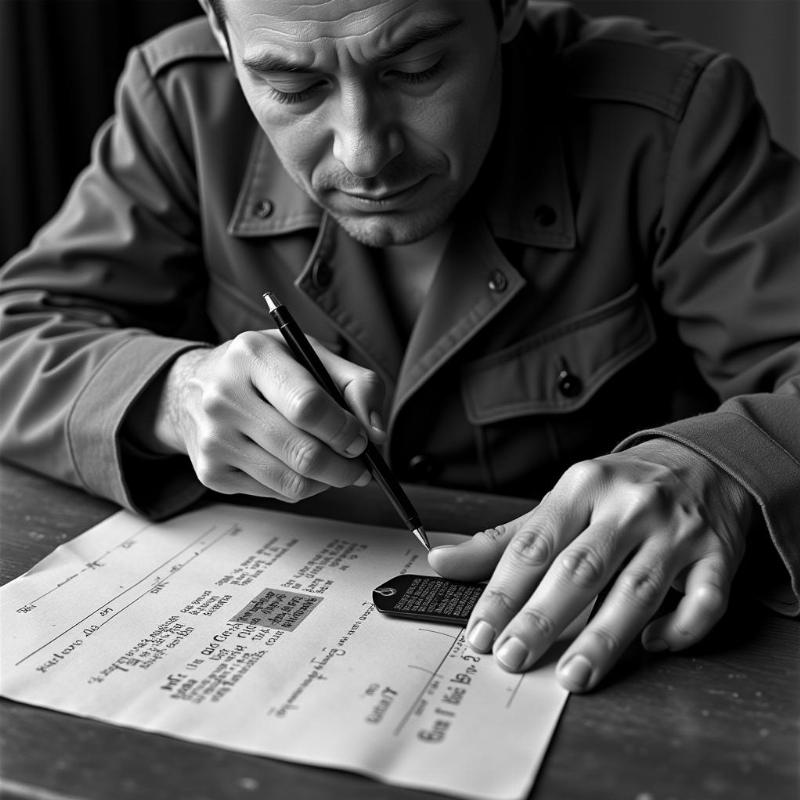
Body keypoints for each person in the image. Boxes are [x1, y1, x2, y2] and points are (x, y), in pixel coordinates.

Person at [1, 0, 798, 693]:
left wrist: (722, 470)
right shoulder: (182, 102)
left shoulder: (673, 119)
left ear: (505, 6)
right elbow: (16, 333)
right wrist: (176, 392)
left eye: (415, 68)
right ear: (219, 28)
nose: (363, 154)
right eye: (292, 87)